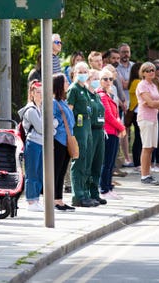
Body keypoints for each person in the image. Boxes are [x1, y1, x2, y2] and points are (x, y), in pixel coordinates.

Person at [66, 62, 97, 207]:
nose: (83, 73)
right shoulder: (73, 89)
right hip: (78, 127)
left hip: (87, 125)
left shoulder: (84, 88)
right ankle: (77, 195)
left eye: (86, 71)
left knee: (87, 160)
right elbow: (69, 111)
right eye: (81, 71)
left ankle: (85, 193)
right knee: (79, 160)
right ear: (75, 73)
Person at [136, 62, 159, 186]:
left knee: (151, 147)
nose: (151, 72)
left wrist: (158, 102)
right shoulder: (142, 85)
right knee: (146, 146)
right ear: (143, 73)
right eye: (148, 70)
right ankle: (144, 175)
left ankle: (148, 173)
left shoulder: (154, 85)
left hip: (154, 117)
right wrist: (158, 102)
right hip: (145, 118)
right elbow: (151, 103)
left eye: (153, 70)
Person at [97, 69, 126, 199]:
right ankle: (104, 189)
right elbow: (108, 116)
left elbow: (116, 114)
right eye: (105, 79)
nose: (108, 81)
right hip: (108, 132)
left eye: (110, 79)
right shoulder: (102, 95)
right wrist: (121, 127)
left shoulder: (109, 94)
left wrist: (120, 127)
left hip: (114, 131)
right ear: (99, 80)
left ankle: (108, 187)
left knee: (111, 162)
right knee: (106, 162)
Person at [19, 81, 45, 211]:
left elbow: (52, 125)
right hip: (33, 143)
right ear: (32, 94)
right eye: (38, 92)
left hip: (41, 143)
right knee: (32, 172)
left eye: (42, 92)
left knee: (40, 172)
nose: (41, 95)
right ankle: (30, 200)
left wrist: (52, 126)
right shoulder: (31, 110)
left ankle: (36, 198)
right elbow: (41, 128)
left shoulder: (42, 108)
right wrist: (52, 126)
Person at [51, 73, 75, 211]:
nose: (68, 83)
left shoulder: (62, 101)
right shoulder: (53, 102)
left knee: (62, 171)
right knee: (56, 171)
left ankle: (59, 199)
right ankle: (54, 199)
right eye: (65, 81)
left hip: (66, 140)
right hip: (58, 140)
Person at [86, 69, 107, 205]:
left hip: (100, 131)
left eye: (97, 78)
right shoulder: (86, 95)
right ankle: (87, 193)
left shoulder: (97, 95)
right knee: (89, 163)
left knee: (98, 164)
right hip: (91, 130)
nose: (95, 81)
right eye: (93, 78)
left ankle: (95, 192)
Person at [127, 62, 143, 168]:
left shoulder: (134, 81)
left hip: (136, 112)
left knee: (138, 138)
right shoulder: (137, 82)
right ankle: (137, 162)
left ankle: (138, 162)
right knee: (138, 138)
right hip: (137, 112)